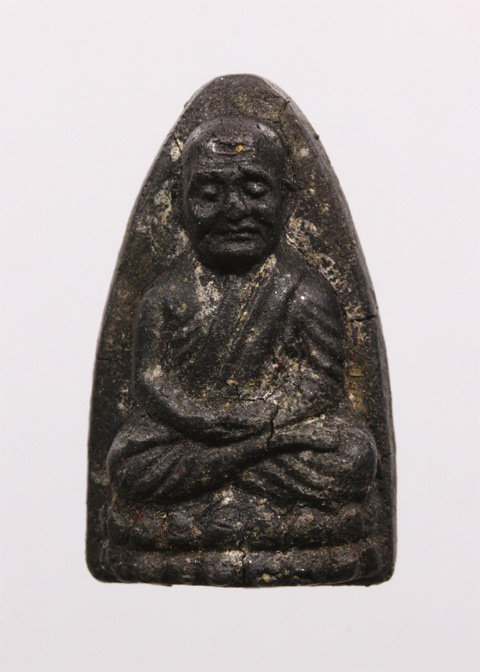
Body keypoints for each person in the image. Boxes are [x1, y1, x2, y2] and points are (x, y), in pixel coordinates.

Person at [104, 116, 378, 562]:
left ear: (286, 201)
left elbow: (323, 382)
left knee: (352, 456)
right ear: (178, 203)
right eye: (209, 194)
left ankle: (217, 477)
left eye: (254, 190)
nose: (234, 210)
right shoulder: (165, 295)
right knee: (127, 461)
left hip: (271, 433)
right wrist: (196, 416)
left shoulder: (304, 291)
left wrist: (262, 419)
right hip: (194, 433)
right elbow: (150, 381)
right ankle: (241, 472)